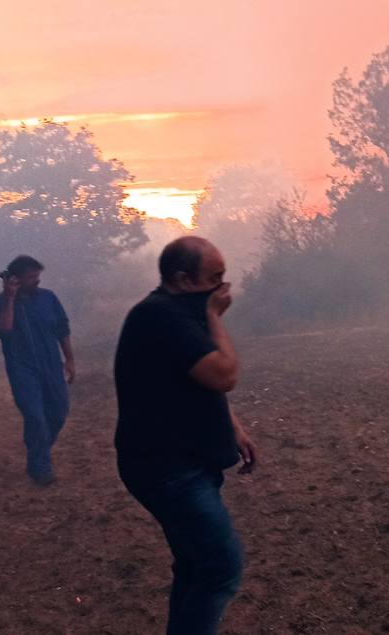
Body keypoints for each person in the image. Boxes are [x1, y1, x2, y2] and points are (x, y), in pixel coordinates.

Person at [114, 236, 258, 635]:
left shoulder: (173, 312)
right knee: (219, 568)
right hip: (168, 469)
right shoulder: (160, 317)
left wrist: (231, 425)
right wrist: (215, 317)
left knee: (195, 566)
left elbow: (192, 378)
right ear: (182, 279)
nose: (223, 289)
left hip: (183, 464)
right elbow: (224, 374)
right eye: (215, 278)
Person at [0, 256, 74, 486]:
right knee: (35, 417)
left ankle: (37, 449)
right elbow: (4, 329)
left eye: (37, 276)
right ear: (15, 279)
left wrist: (70, 360)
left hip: (52, 366)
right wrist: (10, 297)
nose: (37, 280)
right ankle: (41, 469)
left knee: (58, 413)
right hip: (22, 370)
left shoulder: (48, 298)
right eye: (31, 277)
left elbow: (62, 329)